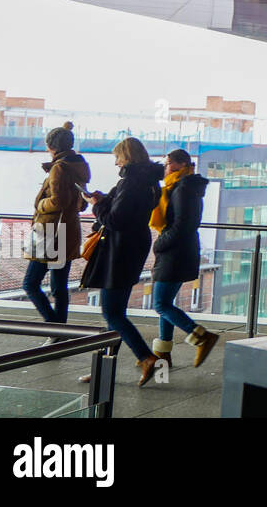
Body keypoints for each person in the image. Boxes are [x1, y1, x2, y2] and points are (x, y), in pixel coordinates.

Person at [80, 137, 165, 386]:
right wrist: (105, 199)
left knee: (113, 313)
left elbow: (116, 220)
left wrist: (96, 206)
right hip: (132, 248)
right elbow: (125, 210)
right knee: (114, 313)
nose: (116, 162)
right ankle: (103, 370)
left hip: (120, 251)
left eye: (118, 157)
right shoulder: (148, 182)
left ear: (127, 157)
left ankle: (147, 358)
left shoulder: (131, 183)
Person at [149, 149, 219, 368]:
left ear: (180, 165)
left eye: (168, 163)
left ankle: (201, 337)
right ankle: (162, 355)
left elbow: (182, 225)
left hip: (174, 252)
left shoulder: (183, 189)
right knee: (165, 303)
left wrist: (159, 243)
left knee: (160, 303)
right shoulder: (182, 187)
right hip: (180, 251)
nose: (165, 167)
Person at [24, 122, 90, 342]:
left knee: (31, 284)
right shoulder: (77, 165)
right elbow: (80, 203)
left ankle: (54, 329)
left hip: (50, 232)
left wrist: (40, 205)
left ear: (51, 145)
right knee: (59, 285)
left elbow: (58, 201)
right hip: (69, 229)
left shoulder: (60, 168)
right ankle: (59, 332)